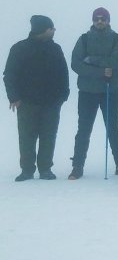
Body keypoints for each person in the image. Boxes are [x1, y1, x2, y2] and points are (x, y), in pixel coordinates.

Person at [4, 15, 69, 181]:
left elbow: (63, 73)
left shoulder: (55, 49)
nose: (54, 30)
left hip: (52, 102)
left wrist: (63, 95)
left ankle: (45, 168)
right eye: (51, 28)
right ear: (42, 30)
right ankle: (27, 170)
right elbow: (9, 75)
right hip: (26, 102)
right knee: (26, 137)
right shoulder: (19, 48)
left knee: (49, 136)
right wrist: (14, 97)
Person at [68, 8, 118, 180]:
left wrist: (92, 60)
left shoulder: (117, 38)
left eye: (103, 19)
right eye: (97, 19)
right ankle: (77, 166)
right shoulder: (84, 39)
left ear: (108, 20)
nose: (100, 21)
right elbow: (76, 64)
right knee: (84, 130)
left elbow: (117, 61)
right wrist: (101, 71)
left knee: (113, 129)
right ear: (93, 20)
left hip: (110, 91)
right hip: (87, 91)